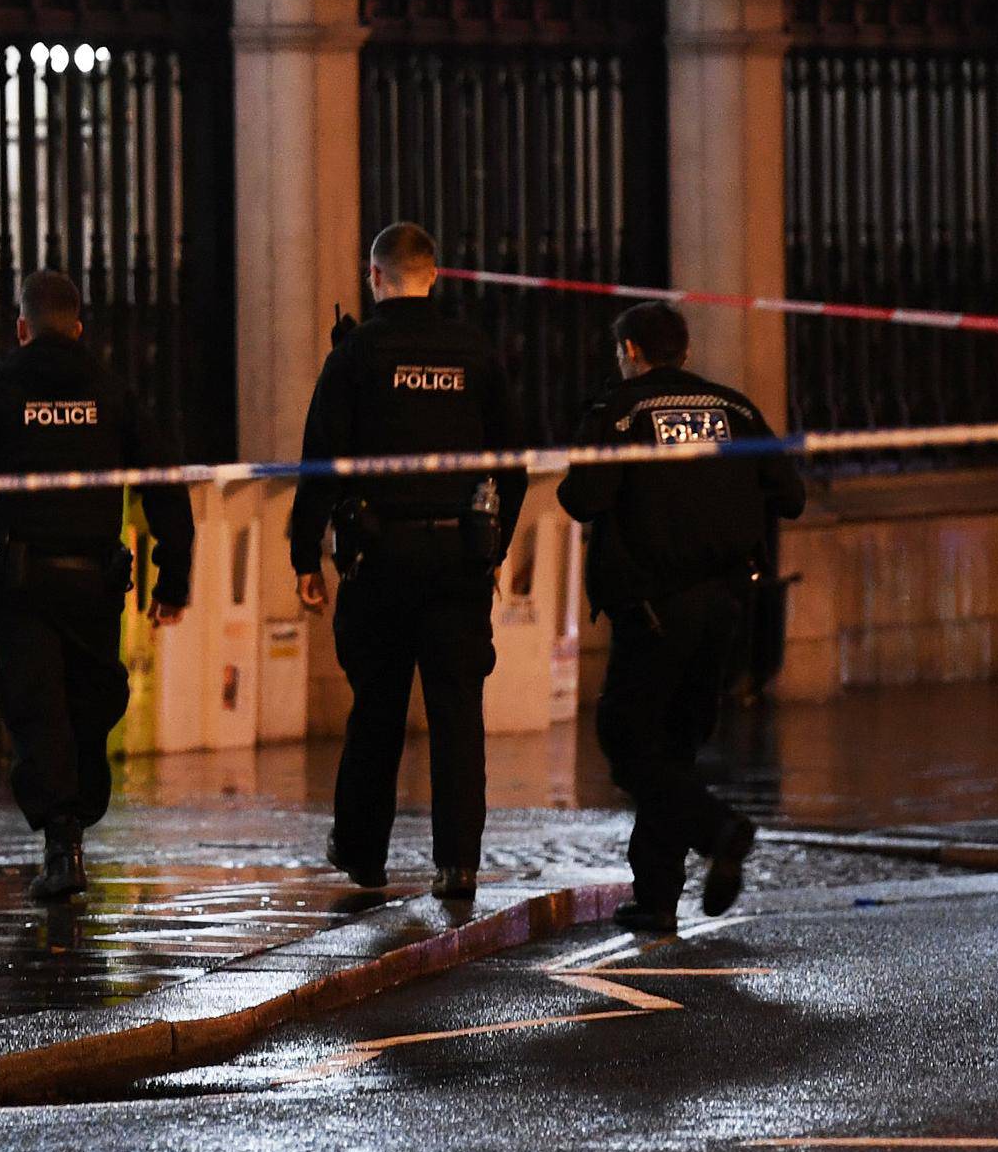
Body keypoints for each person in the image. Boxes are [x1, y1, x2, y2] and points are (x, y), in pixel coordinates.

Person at [0, 272, 194, 902]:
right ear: (78, 326)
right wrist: (173, 579)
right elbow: (165, 485)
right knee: (87, 703)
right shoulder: (110, 391)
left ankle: (60, 837)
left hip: (19, 583)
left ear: (21, 328)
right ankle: (71, 826)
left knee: (36, 707)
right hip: (94, 583)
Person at [290, 222, 527, 902]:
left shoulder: (357, 355)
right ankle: (459, 864)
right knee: (457, 711)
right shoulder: (475, 352)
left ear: (375, 277)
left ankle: (363, 852)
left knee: (377, 708)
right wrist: (495, 542)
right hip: (457, 561)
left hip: (379, 560)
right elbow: (513, 463)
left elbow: (320, 465)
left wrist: (306, 555)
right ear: (435, 274)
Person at [559, 301, 806, 932]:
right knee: (672, 751)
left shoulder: (622, 410)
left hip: (654, 608)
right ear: (686, 353)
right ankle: (657, 898)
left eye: (622, 354)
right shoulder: (737, 409)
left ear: (633, 352)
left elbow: (581, 499)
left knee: (626, 741)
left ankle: (719, 831)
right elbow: (791, 495)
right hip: (726, 606)